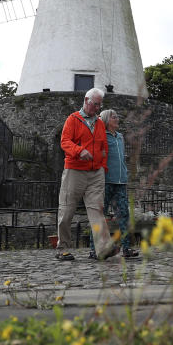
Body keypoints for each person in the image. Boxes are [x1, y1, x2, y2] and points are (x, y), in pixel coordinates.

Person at [56, 88, 118, 261]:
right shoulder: (73, 119)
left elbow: (103, 148)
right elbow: (65, 142)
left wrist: (103, 167)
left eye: (100, 105)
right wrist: (78, 151)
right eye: (95, 104)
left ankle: (104, 249)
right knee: (67, 210)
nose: (98, 108)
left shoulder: (99, 123)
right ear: (86, 100)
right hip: (75, 170)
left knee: (97, 210)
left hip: (96, 172)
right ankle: (63, 249)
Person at [90, 108, 138, 259]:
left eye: (117, 116)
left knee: (124, 215)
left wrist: (125, 174)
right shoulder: (101, 136)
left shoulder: (120, 137)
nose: (117, 119)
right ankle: (94, 250)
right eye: (114, 117)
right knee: (99, 216)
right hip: (105, 182)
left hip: (121, 182)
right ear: (105, 120)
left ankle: (126, 249)